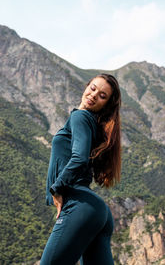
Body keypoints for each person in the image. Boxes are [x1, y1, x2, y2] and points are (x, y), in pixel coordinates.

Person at [40, 73, 121, 265]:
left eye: (102, 95)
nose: (93, 95)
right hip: (98, 212)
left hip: (79, 204)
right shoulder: (91, 124)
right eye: (93, 88)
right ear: (86, 87)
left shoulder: (80, 116)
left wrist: (57, 188)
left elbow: (79, 158)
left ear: (106, 104)